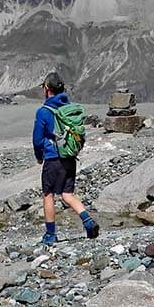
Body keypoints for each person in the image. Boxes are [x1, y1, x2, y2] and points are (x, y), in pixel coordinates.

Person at [33, 72, 99, 245]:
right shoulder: (69, 109)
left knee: (48, 195)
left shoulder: (44, 112)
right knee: (67, 194)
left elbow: (37, 139)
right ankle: (88, 221)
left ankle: (50, 234)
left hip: (53, 158)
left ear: (47, 89)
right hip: (70, 156)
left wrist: (39, 157)